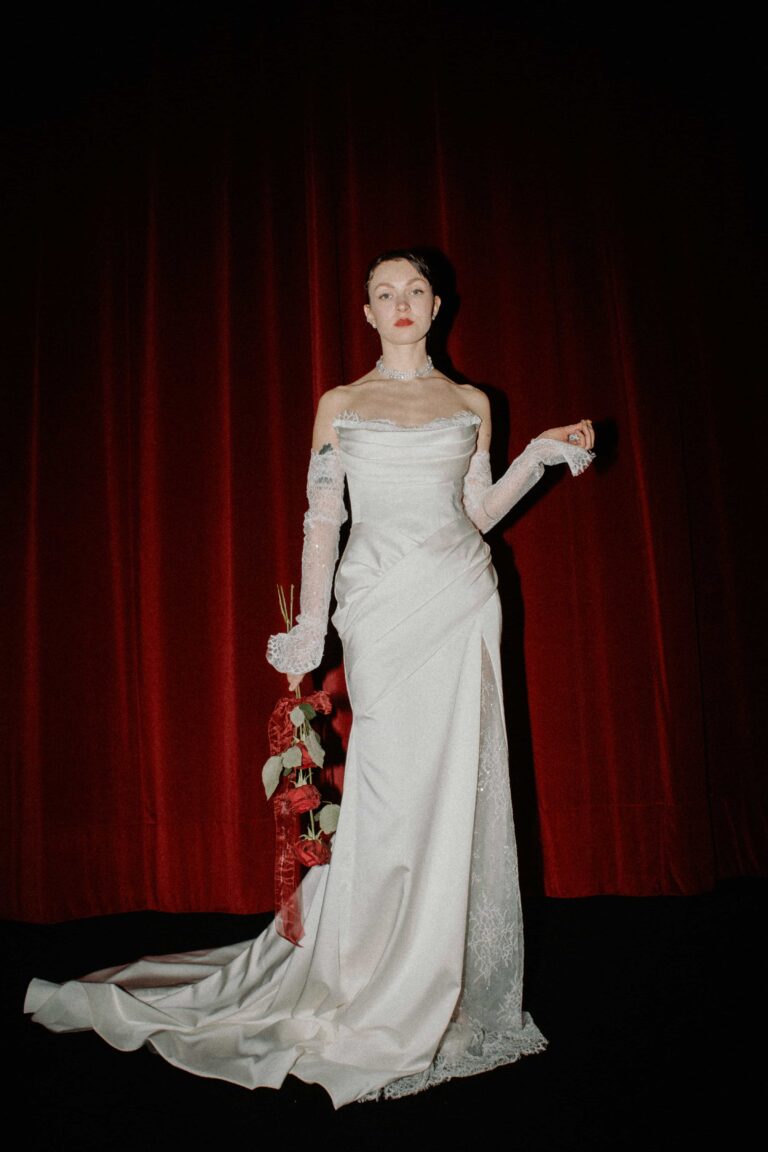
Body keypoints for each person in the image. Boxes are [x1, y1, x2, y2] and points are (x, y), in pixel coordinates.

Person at [24, 249, 595, 1108]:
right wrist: (309, 628)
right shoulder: (341, 403)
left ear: (436, 305)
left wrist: (540, 457)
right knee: (389, 787)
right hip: (380, 607)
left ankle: (432, 977)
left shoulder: (473, 403)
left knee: (452, 794)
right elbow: (322, 521)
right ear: (365, 312)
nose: (399, 304)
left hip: (462, 598)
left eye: (413, 291)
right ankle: (367, 970)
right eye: (382, 294)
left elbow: (475, 511)